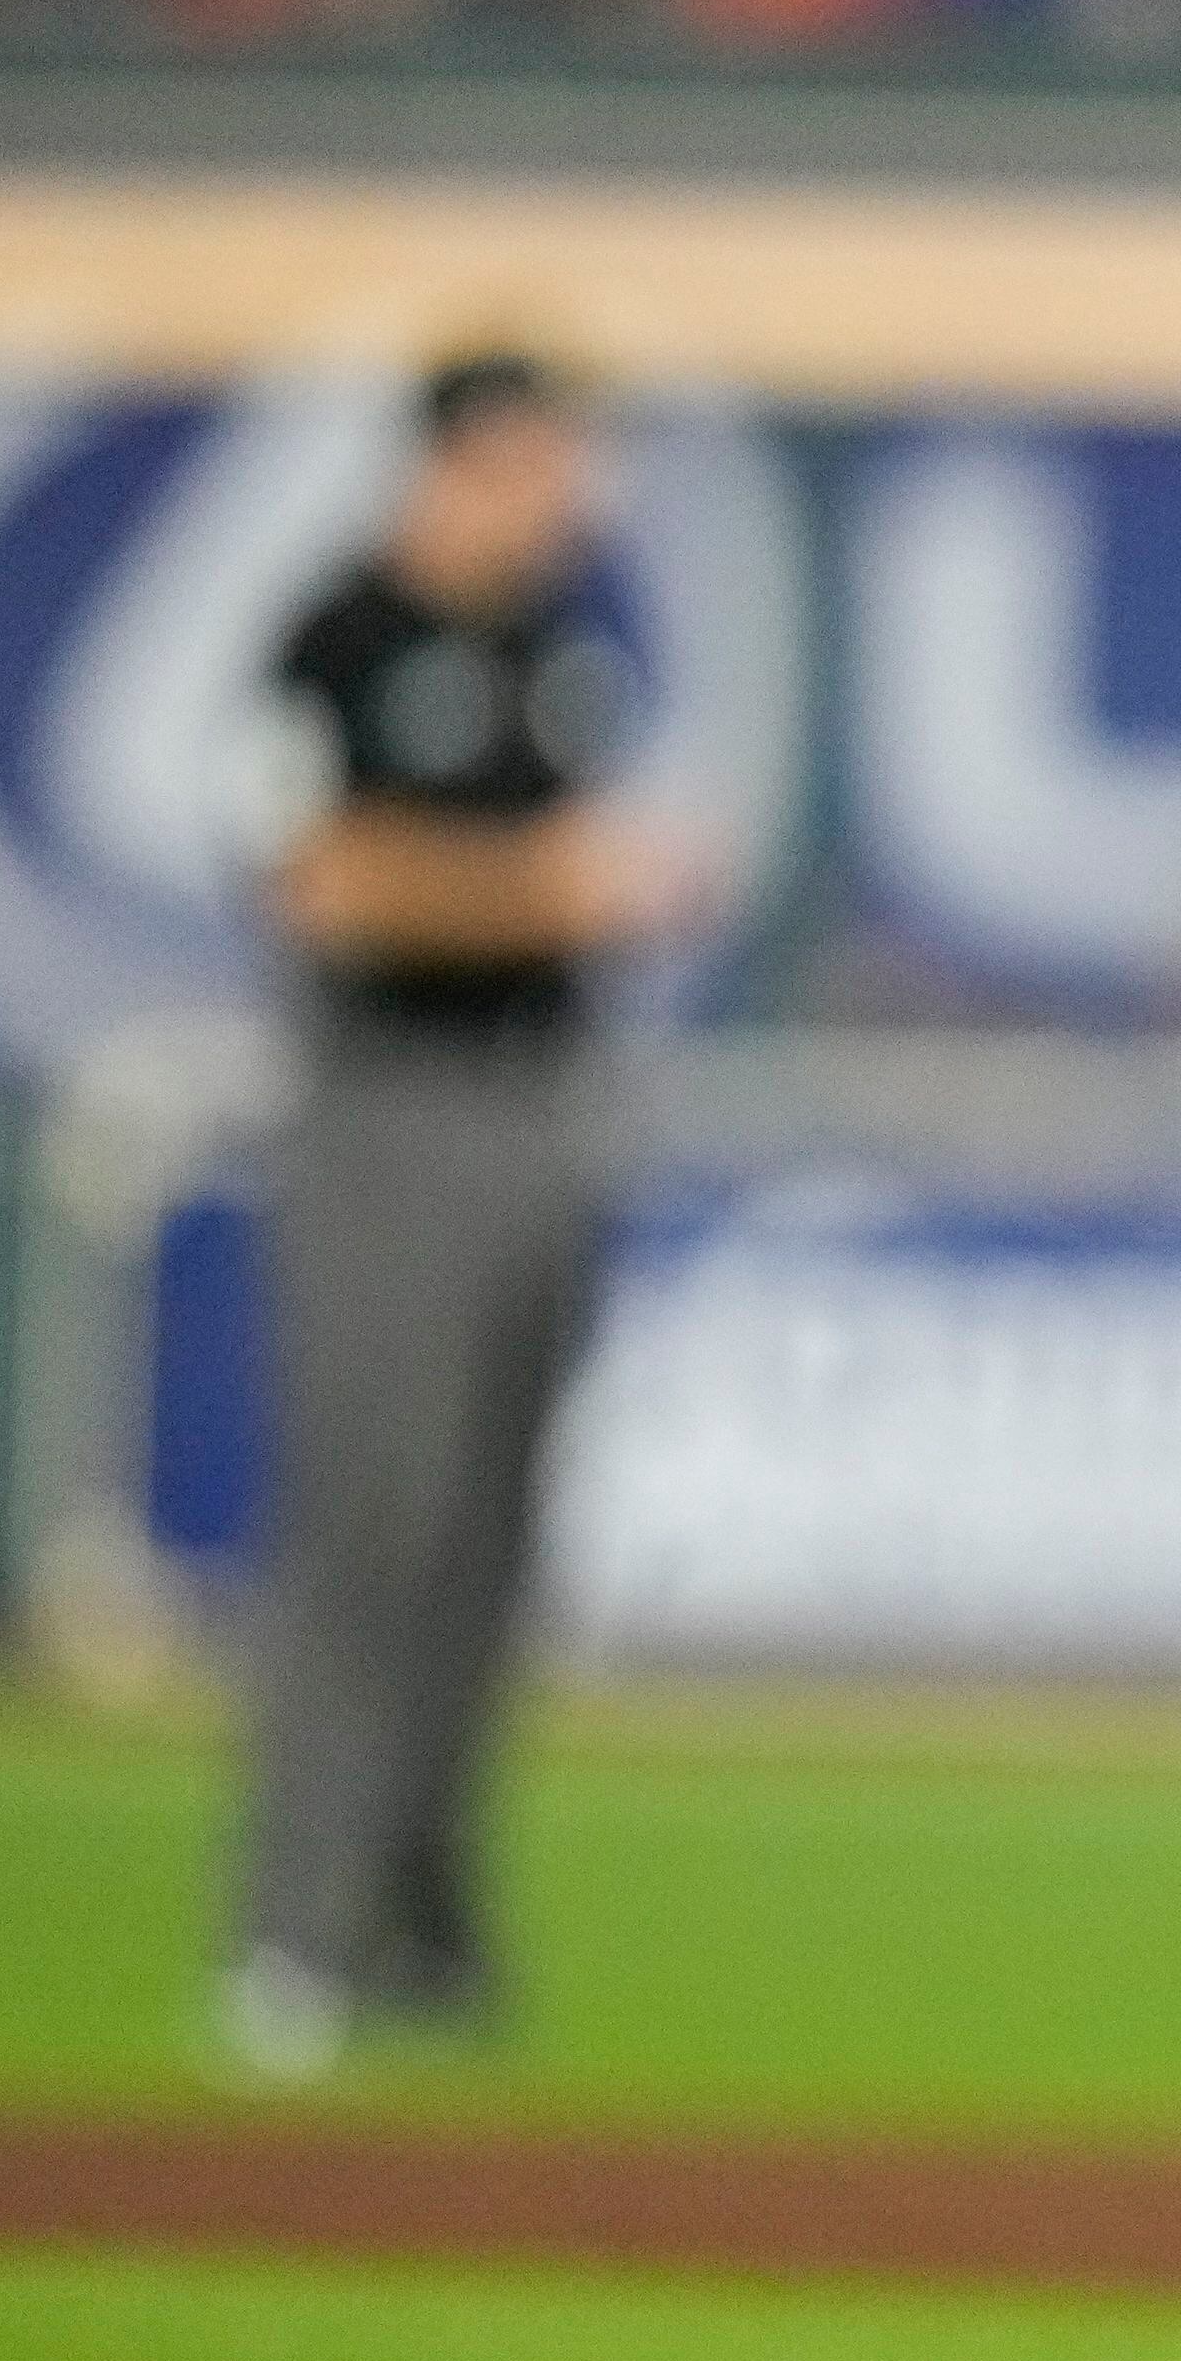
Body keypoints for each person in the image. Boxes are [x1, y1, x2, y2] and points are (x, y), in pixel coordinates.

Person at [219, 352, 693, 2085]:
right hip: (386, 1114)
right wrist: (551, 887)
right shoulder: (334, 639)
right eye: (544, 464)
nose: (572, 499)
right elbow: (320, 880)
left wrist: (594, 890)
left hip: (541, 1104)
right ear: (458, 462)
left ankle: (422, 1923)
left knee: (492, 1541)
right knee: (374, 1525)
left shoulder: (551, 650)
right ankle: (293, 1929)